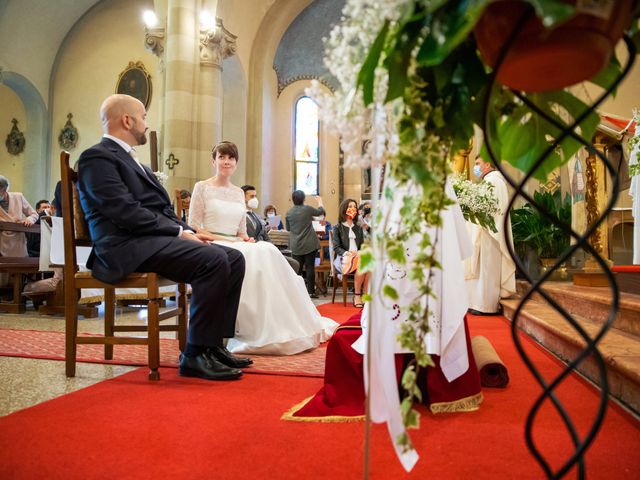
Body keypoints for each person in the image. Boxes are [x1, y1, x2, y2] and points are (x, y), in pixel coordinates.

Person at [76, 94, 249, 381]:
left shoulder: (137, 163)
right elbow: (123, 210)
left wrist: (189, 231)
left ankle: (214, 345)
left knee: (234, 257)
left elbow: (162, 209)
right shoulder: (98, 157)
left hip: (149, 240)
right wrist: (178, 232)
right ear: (127, 120)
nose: (146, 123)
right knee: (214, 260)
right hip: (123, 245)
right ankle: (194, 354)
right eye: (143, 117)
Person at [189, 141, 338, 355]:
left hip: (237, 242)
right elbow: (195, 226)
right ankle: (252, 327)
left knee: (266, 250)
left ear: (236, 163)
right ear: (214, 161)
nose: (226, 161)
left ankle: (278, 322)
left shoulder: (238, 193)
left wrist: (246, 239)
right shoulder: (202, 187)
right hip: (212, 242)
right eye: (222, 157)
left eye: (231, 158)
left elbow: (241, 229)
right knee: (253, 254)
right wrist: (232, 241)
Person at [464, 157, 516, 314]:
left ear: (487, 164)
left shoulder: (494, 181)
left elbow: (492, 210)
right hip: (484, 232)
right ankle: (479, 304)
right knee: (481, 271)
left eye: (478, 164)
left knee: (486, 270)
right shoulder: (490, 181)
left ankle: (486, 306)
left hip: (489, 234)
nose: (475, 167)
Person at [285, 190, 326, 298]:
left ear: (293, 199)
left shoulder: (289, 212)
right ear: (304, 199)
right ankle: (311, 292)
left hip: (296, 244)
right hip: (309, 243)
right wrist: (320, 201)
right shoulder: (307, 209)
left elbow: (288, 229)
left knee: (297, 269)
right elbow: (321, 212)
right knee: (310, 268)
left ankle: (297, 293)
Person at [332, 198, 369, 308]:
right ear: (344, 209)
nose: (353, 209)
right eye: (350, 206)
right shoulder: (337, 228)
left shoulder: (358, 228)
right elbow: (336, 247)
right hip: (345, 258)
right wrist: (347, 253)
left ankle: (365, 296)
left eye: (354, 207)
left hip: (358, 256)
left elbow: (362, 245)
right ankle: (357, 296)